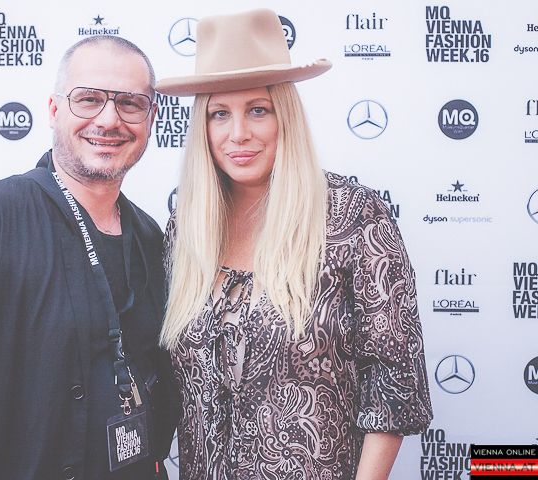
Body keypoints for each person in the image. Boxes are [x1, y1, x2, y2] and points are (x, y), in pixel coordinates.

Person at [156, 9, 433, 480]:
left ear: (284, 114)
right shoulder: (186, 228)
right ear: (202, 126)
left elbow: (395, 381)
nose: (238, 133)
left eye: (257, 110)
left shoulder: (352, 216)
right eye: (220, 114)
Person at [0, 35, 177, 480]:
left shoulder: (151, 238)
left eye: (130, 103)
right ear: (53, 109)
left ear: (152, 117)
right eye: (88, 99)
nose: (109, 119)